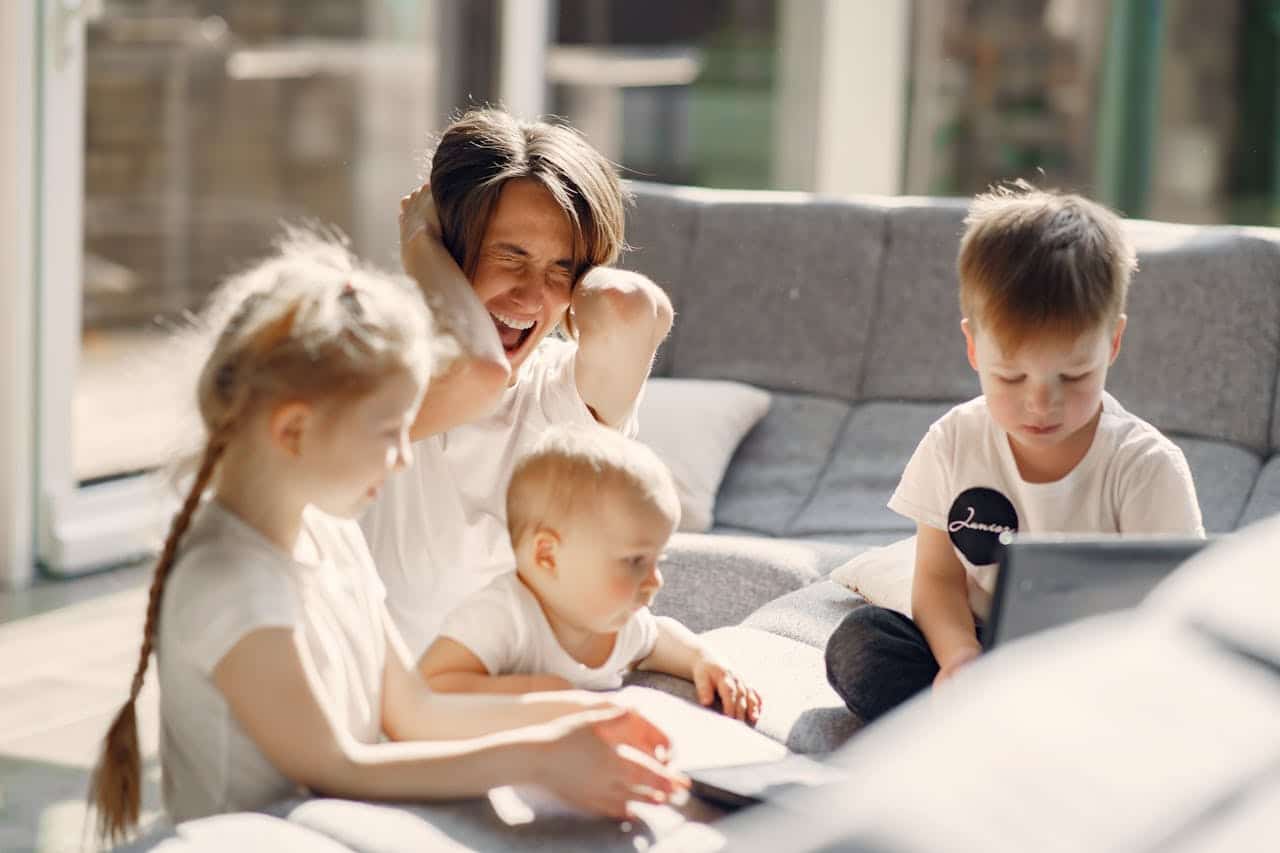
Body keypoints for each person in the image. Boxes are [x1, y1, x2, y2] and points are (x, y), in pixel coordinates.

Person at [87, 235, 685, 846]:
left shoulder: (332, 534)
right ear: (294, 428)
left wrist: (587, 715)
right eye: (389, 433)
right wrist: (537, 759)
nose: (404, 458)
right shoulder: (230, 579)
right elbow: (335, 765)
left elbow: (414, 710)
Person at [823, 183, 1205, 725]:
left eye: (1074, 376)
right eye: (1010, 376)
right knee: (861, 647)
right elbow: (936, 579)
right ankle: (992, 725)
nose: (1041, 402)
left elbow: (1173, 611)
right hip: (982, 649)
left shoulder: (1144, 466)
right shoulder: (954, 440)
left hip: (1092, 664)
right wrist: (958, 655)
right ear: (974, 347)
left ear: (1112, 344)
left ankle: (998, 730)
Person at [360, 108, 675, 658]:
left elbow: (629, 308)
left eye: (562, 269)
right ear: (448, 249)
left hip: (508, 709)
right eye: (509, 256)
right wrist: (419, 247)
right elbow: (478, 374)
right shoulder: (374, 374)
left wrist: (566, 302)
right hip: (389, 710)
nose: (531, 298)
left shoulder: (560, 397)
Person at [417, 425, 762, 724]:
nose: (656, 581)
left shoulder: (616, 623)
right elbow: (430, 684)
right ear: (548, 555)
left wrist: (703, 660)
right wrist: (537, 692)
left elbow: (656, 640)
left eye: (658, 560)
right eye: (634, 561)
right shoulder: (502, 615)